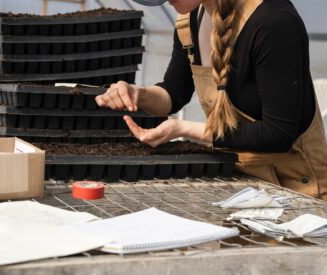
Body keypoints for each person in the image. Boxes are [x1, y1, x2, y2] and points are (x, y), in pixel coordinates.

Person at [95, 0, 327, 200]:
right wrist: (139, 94)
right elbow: (173, 94)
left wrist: (184, 128)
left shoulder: (273, 22)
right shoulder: (190, 19)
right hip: (244, 188)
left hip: (299, 192)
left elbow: (277, 134)